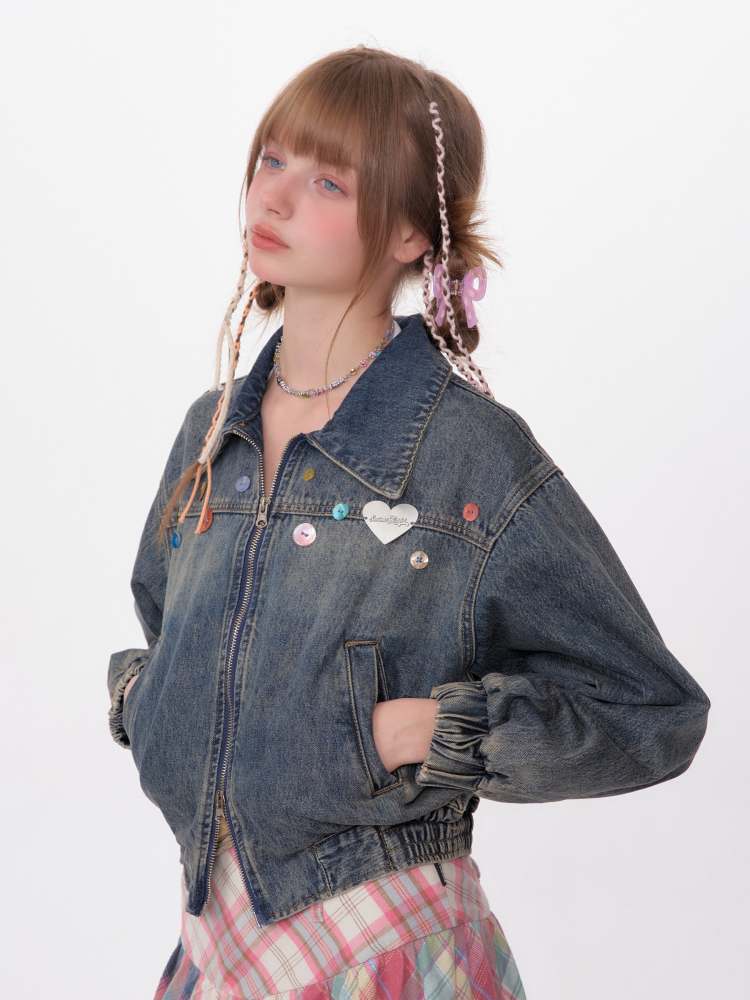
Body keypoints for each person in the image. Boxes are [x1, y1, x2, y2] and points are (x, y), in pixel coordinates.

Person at [107, 45, 711, 999]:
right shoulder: (211, 427)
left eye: (328, 181)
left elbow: (651, 710)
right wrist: (150, 700)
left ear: (407, 234)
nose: (274, 198)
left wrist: (419, 730)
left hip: (386, 945)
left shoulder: (468, 452)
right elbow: (166, 611)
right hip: (217, 943)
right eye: (272, 160)